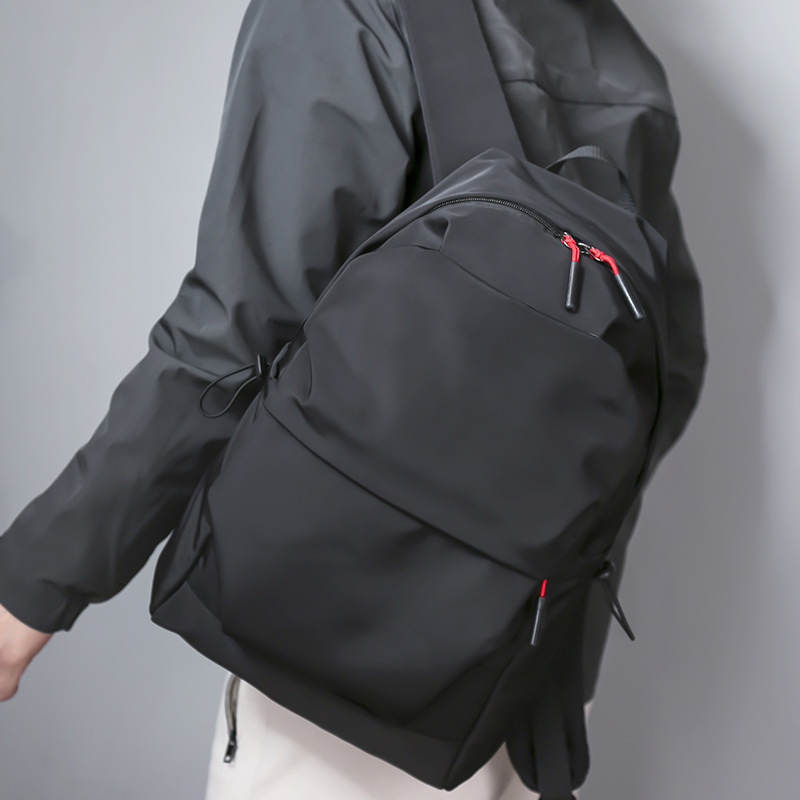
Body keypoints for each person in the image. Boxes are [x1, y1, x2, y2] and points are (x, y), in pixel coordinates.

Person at [0, 0, 706, 797]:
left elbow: (228, 342)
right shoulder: (626, 60)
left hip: (340, 689)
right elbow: (667, 372)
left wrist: (28, 589)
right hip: (525, 687)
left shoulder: (344, 12)